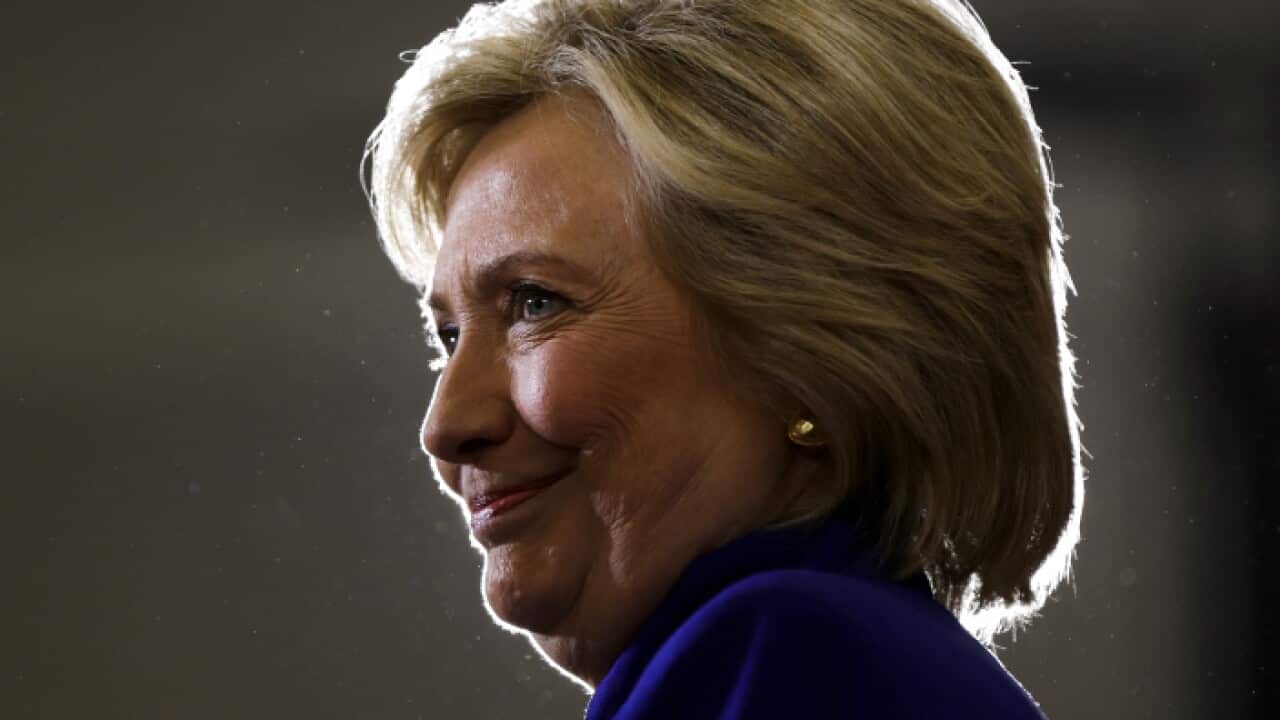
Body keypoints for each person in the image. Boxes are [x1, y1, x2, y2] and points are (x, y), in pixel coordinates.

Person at [363, 0, 1085, 716]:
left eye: (535, 303)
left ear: (812, 347)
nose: (445, 426)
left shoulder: (787, 657)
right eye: (448, 338)